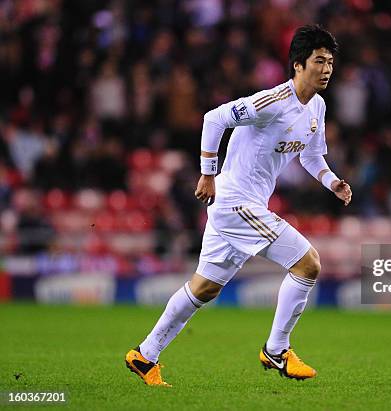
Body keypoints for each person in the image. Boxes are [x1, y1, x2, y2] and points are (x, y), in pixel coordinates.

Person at [125, 25, 351, 386]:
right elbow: (214, 118)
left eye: (330, 62)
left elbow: (312, 155)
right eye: (318, 61)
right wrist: (206, 173)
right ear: (297, 64)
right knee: (308, 264)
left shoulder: (317, 107)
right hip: (235, 203)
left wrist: (332, 181)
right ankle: (277, 350)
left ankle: (144, 355)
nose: (326, 69)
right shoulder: (272, 102)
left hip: (239, 207)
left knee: (204, 288)